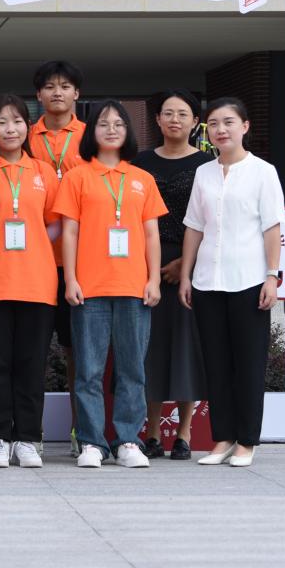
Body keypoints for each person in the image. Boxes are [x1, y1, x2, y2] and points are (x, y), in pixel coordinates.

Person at [57, 99, 167, 470]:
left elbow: (151, 234)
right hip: (90, 289)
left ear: (128, 132)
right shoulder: (77, 177)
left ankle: (127, 441)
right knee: (88, 370)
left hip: (134, 288)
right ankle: (91, 442)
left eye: (119, 124)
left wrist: (154, 279)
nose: (111, 129)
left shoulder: (141, 179)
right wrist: (70, 278)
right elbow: (69, 232)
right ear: (92, 131)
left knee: (132, 370)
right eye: (103, 124)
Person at [179, 97, 285, 468]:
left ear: (245, 126)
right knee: (216, 363)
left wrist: (272, 276)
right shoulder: (203, 173)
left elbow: (272, 227)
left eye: (228, 122)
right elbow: (194, 226)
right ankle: (222, 437)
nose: (220, 130)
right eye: (213, 124)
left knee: (249, 364)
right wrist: (186, 275)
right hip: (208, 281)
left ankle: (246, 440)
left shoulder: (263, 172)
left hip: (249, 281)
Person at [0, 94, 60, 469]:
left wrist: (32, 244)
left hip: (36, 283)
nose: (10, 129)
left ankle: (28, 439)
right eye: (2, 122)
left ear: (28, 127)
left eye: (17, 121)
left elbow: (54, 225)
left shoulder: (43, 172)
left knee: (30, 365)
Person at [133, 90, 211, 460]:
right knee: (150, 347)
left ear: (195, 121)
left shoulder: (208, 165)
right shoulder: (140, 162)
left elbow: (215, 220)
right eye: (168, 113)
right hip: (143, 263)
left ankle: (183, 432)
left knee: (185, 347)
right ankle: (150, 432)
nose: (174, 119)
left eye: (182, 113)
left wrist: (186, 264)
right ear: (158, 120)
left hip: (192, 263)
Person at [28, 60, 86, 449]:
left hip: (78, 264)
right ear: (39, 95)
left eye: (65, 86)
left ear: (76, 93)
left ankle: (82, 429)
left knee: (77, 351)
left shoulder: (91, 137)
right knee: (31, 352)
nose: (58, 92)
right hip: (31, 261)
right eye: (50, 86)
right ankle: (29, 431)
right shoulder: (24, 135)